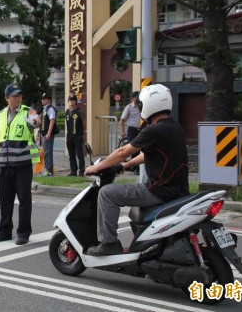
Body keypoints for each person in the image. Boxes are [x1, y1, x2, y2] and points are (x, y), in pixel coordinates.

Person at [84, 84, 189, 256]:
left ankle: (108, 243)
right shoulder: (174, 127)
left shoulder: (153, 130)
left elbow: (122, 151)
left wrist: (96, 167)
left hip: (158, 190)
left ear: (147, 105)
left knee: (107, 193)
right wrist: (126, 165)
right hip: (178, 190)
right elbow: (149, 154)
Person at [0, 84, 40, 245]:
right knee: (5, 199)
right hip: (3, 164)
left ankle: (23, 233)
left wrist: (36, 121)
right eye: (14, 95)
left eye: (20, 95)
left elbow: (36, 121)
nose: (18, 98)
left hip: (22, 164)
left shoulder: (27, 111)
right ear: (7, 98)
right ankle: (4, 231)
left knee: (24, 200)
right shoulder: (1, 114)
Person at [120, 91, 142, 174]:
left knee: (142, 149)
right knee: (134, 149)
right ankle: (135, 168)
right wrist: (122, 131)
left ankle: (138, 167)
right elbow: (122, 120)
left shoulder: (141, 107)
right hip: (132, 130)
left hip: (141, 129)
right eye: (137, 97)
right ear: (133, 98)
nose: (139, 99)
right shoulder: (128, 107)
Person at [65, 94, 85, 176]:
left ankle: (81, 171)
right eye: (70, 100)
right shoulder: (67, 111)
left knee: (80, 154)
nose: (72, 102)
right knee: (71, 155)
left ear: (76, 101)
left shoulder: (79, 111)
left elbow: (84, 123)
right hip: (69, 136)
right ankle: (73, 171)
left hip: (78, 136)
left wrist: (81, 133)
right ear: (68, 101)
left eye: (73, 100)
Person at [39, 92, 57, 176]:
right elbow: (42, 122)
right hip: (44, 134)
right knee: (45, 152)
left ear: (49, 99)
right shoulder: (45, 109)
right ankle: (47, 169)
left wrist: (49, 133)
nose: (42, 100)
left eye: (44, 99)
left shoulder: (50, 109)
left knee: (48, 152)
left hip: (47, 134)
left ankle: (49, 171)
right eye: (42, 99)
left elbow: (52, 120)